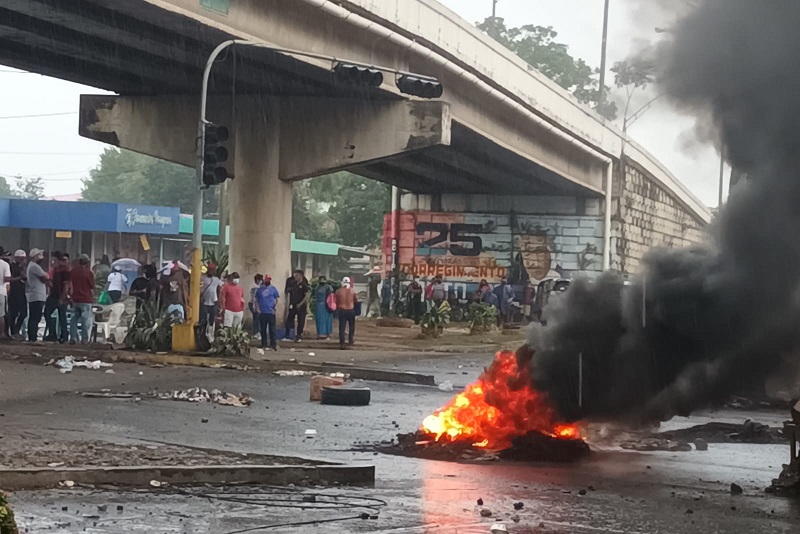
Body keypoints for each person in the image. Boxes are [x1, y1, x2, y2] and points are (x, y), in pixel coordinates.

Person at [44, 252, 71, 343]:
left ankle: (64, 336)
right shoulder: (55, 270)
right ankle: (53, 334)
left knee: (62, 316)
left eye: (54, 260)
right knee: (47, 313)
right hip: (54, 295)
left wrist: (62, 298)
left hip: (60, 296)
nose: (52, 262)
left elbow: (66, 286)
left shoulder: (65, 271)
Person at [69, 254, 95, 344]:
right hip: (86, 299)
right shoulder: (89, 273)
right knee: (85, 320)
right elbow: (91, 286)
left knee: (74, 319)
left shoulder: (73, 271)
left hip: (75, 298)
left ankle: (73, 337)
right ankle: (84, 339)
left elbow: (70, 284)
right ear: (87, 262)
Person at [25, 248, 50, 342]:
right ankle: (32, 337)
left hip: (35, 295)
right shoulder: (34, 266)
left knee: (34, 317)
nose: (41, 257)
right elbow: (46, 276)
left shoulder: (32, 266)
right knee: (35, 317)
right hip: (37, 295)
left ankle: (32, 336)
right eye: (40, 255)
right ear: (35, 256)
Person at [254, 275, 280, 350]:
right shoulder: (260, 290)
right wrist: (258, 308)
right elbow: (256, 300)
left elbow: (276, 299)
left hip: (270, 312)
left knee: (272, 329)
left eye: (268, 280)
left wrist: (274, 308)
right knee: (263, 329)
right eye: (266, 280)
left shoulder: (273, 289)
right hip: (262, 312)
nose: (267, 281)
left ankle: (273, 344)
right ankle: (264, 344)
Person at [284, 269, 309, 342]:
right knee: (289, 319)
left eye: (297, 275)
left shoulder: (304, 285)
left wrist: (300, 304)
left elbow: (306, 296)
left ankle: (299, 335)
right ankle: (288, 334)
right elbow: (288, 292)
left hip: (301, 305)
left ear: (301, 276)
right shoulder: (292, 283)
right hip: (293, 304)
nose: (295, 277)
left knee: (301, 321)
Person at [335, 276, 358, 349]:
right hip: (351, 310)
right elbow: (355, 300)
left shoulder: (338, 291)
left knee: (342, 327)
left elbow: (336, 301)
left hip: (342, 310)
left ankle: (342, 342)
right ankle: (350, 340)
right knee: (351, 326)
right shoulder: (352, 291)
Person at [8, 250, 27, 338]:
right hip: (14, 292)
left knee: (24, 313)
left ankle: (16, 329)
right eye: (21, 258)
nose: (23, 260)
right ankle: (13, 331)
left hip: (21, 292)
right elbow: (10, 279)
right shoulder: (11, 266)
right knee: (13, 313)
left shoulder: (22, 267)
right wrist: (19, 277)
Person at [199, 263, 221, 328]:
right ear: (208, 270)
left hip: (213, 302)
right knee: (203, 320)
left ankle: (210, 333)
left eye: (213, 270)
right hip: (204, 302)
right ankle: (202, 333)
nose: (211, 271)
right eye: (210, 269)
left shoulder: (216, 279)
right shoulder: (202, 278)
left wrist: (218, 300)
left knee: (212, 320)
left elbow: (219, 289)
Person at [0, 248, 11, 340]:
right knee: (1, 315)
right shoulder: (5, 264)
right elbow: (7, 278)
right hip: (1, 292)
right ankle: (1, 334)